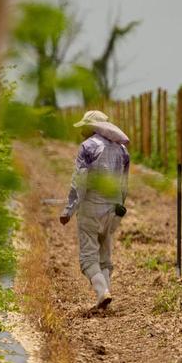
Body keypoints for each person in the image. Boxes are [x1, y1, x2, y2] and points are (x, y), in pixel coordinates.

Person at [58, 110, 130, 311]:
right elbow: (124, 185)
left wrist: (69, 210)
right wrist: (119, 208)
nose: (82, 132)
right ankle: (105, 302)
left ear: (92, 127)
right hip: (113, 209)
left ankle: (102, 293)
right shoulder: (122, 150)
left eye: (84, 128)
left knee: (88, 257)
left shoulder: (88, 147)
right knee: (105, 257)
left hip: (91, 208)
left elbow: (79, 182)